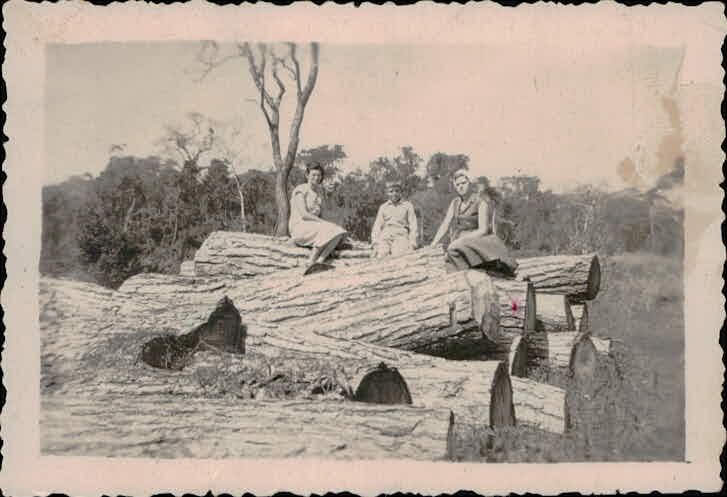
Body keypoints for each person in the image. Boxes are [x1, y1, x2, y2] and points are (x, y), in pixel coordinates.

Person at [429, 169, 517, 275]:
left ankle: (472, 275)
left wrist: (462, 239)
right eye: (457, 185)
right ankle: (461, 278)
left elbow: (483, 230)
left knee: (455, 248)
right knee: (449, 254)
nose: (460, 186)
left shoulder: (480, 201)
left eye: (463, 183)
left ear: (469, 184)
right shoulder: (455, 203)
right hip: (461, 237)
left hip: (479, 238)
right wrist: (433, 243)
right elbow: (445, 224)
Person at [289, 162, 348, 275]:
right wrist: (324, 223)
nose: (316, 178)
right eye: (313, 175)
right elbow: (304, 214)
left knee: (339, 232)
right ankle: (310, 260)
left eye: (319, 175)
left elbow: (324, 214)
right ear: (307, 175)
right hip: (300, 227)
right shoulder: (301, 190)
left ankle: (320, 261)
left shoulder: (319, 193)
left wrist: (333, 224)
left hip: (315, 227)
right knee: (328, 228)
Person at [370, 181, 419, 258]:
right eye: (391, 191)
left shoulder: (407, 206)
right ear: (387, 193)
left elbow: (413, 225)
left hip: (401, 234)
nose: (394, 194)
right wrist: (375, 243)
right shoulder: (383, 207)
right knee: (381, 255)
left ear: (401, 192)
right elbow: (377, 226)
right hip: (386, 235)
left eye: (397, 191)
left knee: (398, 256)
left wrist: (413, 243)